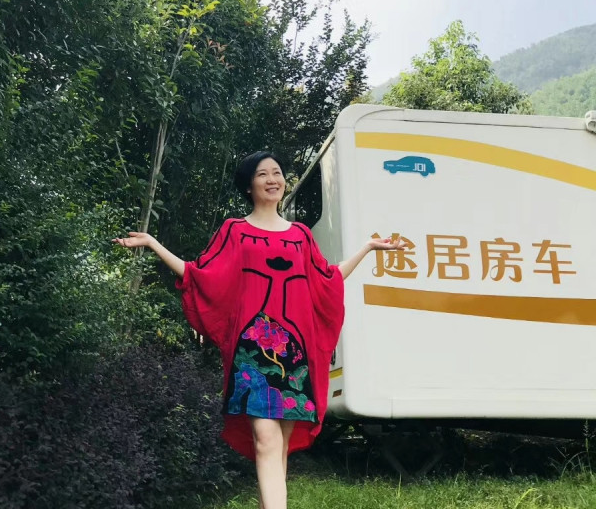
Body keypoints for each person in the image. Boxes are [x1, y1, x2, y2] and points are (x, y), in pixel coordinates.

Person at [113, 151, 403, 509]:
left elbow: (327, 280)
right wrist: (154, 244)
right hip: (252, 349)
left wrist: (368, 248)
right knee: (266, 440)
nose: (272, 179)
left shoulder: (300, 235)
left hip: (293, 352)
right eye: (262, 174)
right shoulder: (235, 231)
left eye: (277, 173)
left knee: (278, 448)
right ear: (249, 185)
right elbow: (200, 275)